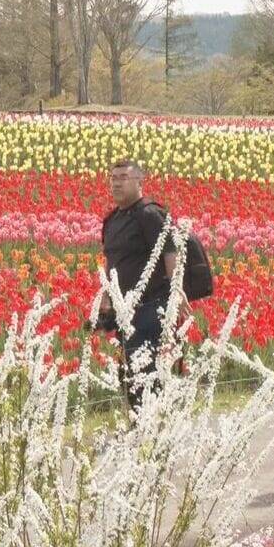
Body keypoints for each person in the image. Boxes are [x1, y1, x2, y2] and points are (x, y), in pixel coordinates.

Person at [96, 159, 179, 409]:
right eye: (113, 178)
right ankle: (138, 427)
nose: (117, 183)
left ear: (139, 182)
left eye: (123, 177)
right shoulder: (113, 220)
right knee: (128, 373)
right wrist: (106, 298)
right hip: (124, 311)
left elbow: (170, 252)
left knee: (147, 372)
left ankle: (152, 428)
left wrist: (176, 292)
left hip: (150, 308)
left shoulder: (150, 214)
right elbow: (113, 262)